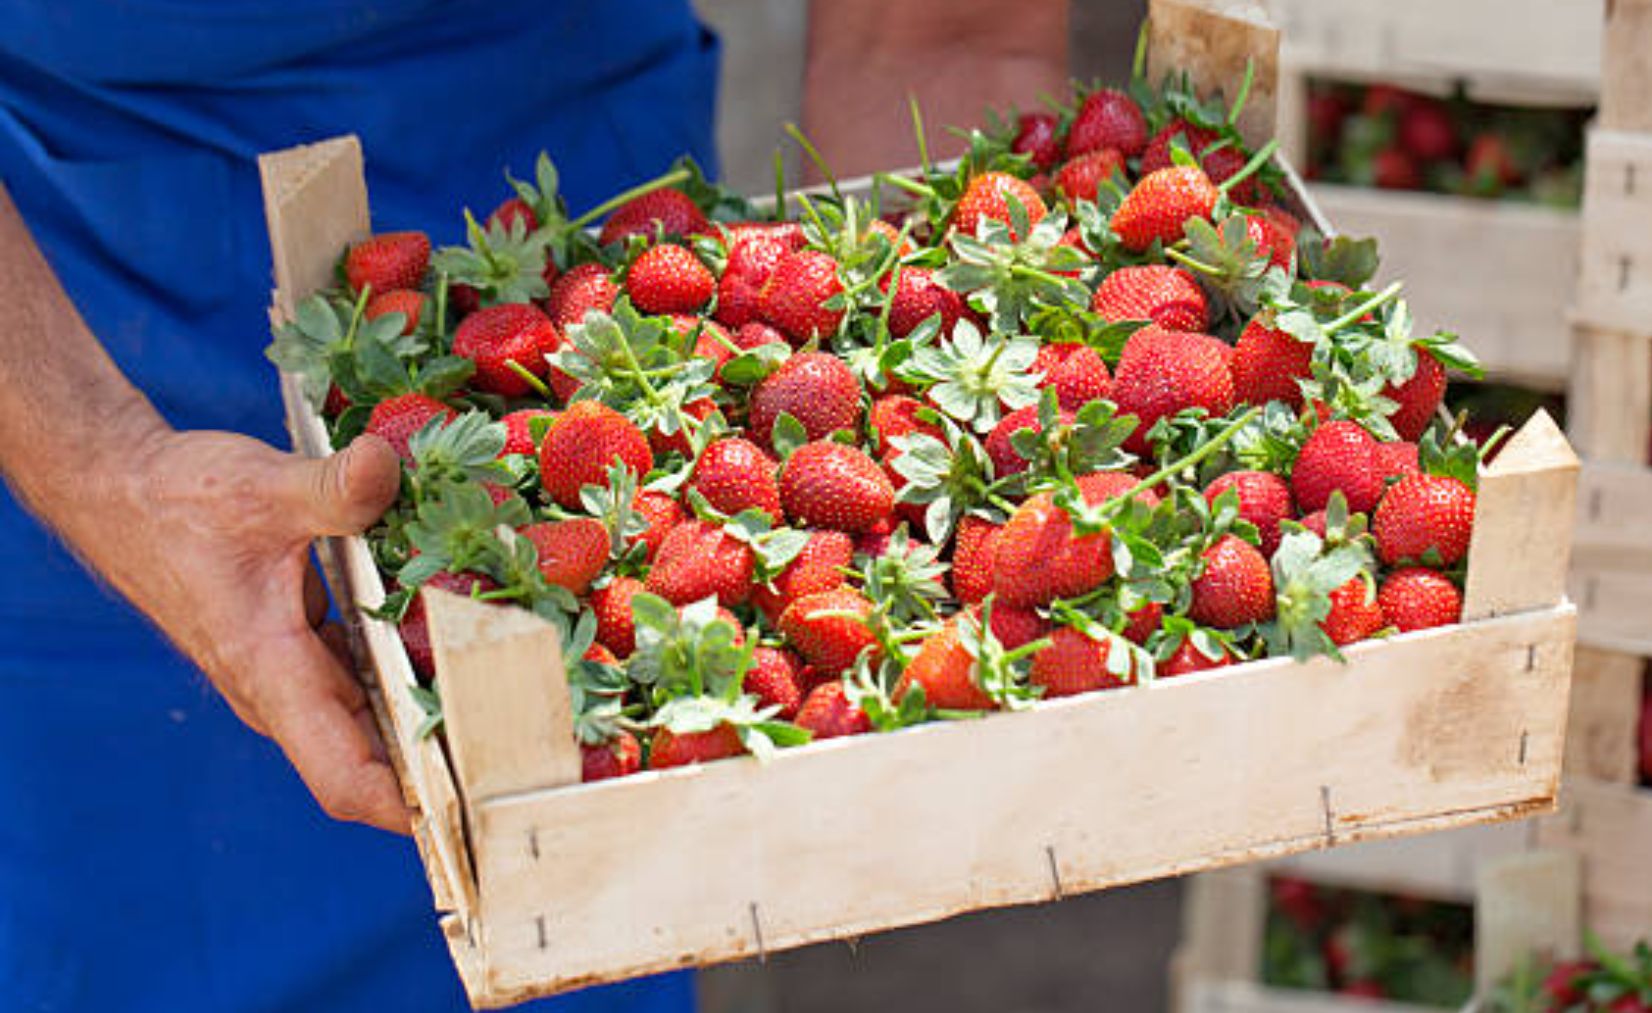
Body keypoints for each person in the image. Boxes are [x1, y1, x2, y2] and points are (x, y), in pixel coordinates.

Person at [0, 1, 1066, 1009]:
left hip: (591, 222)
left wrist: (923, 408)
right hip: (79, 318)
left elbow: (945, 30)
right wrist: (102, 464)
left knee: (583, 896)